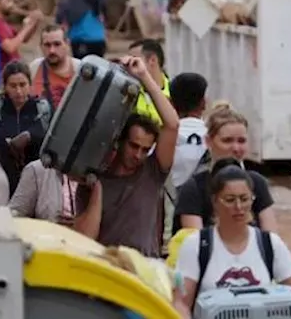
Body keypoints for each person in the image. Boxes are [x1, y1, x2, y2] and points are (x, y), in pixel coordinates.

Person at [71, 55, 178, 257]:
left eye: (145, 149)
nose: (138, 155)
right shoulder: (92, 182)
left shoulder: (153, 171)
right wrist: (97, 191)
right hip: (110, 274)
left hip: (146, 270)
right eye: (133, 146)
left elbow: (172, 124)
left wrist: (144, 76)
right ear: (119, 141)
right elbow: (85, 239)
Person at [171, 160, 291, 317]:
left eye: (244, 199)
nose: (238, 207)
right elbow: (181, 302)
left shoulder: (270, 244)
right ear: (215, 201)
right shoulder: (195, 246)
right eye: (229, 200)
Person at [174, 104, 278, 234]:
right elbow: (196, 243)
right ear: (208, 141)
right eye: (227, 141)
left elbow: (271, 238)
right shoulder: (194, 188)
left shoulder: (258, 183)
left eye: (241, 141)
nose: (235, 148)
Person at [0, 61, 51, 193]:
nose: (18, 91)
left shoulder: (41, 108)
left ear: (30, 84)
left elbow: (49, 136)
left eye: (22, 85)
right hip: (4, 177)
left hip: (36, 177)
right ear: (5, 87)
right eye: (13, 86)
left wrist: (29, 136)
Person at [167, 73, 210, 234]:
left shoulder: (160, 141)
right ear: (203, 103)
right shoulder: (218, 139)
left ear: (171, 103)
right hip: (206, 221)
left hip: (168, 221)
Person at [0, 0, 44, 67]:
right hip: (3, 71)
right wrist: (29, 26)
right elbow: (10, 47)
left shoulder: (2, 21)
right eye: (8, 1)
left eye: (12, 1)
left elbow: (24, 39)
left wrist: (34, 23)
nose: (12, 5)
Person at [28, 25, 80, 107]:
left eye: (57, 44)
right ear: (41, 46)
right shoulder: (34, 68)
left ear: (67, 44)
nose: (52, 50)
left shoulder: (79, 70)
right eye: (47, 45)